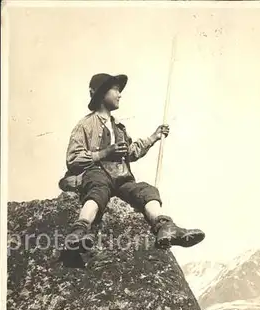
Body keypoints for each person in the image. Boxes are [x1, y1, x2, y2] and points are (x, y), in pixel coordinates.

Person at [59, 73, 205, 252]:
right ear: (102, 93)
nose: (120, 95)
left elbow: (131, 152)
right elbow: (73, 158)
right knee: (97, 191)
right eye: (116, 90)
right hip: (96, 173)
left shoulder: (119, 127)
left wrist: (154, 137)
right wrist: (105, 152)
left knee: (146, 190)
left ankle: (165, 226)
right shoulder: (86, 125)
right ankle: (80, 230)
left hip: (121, 177)